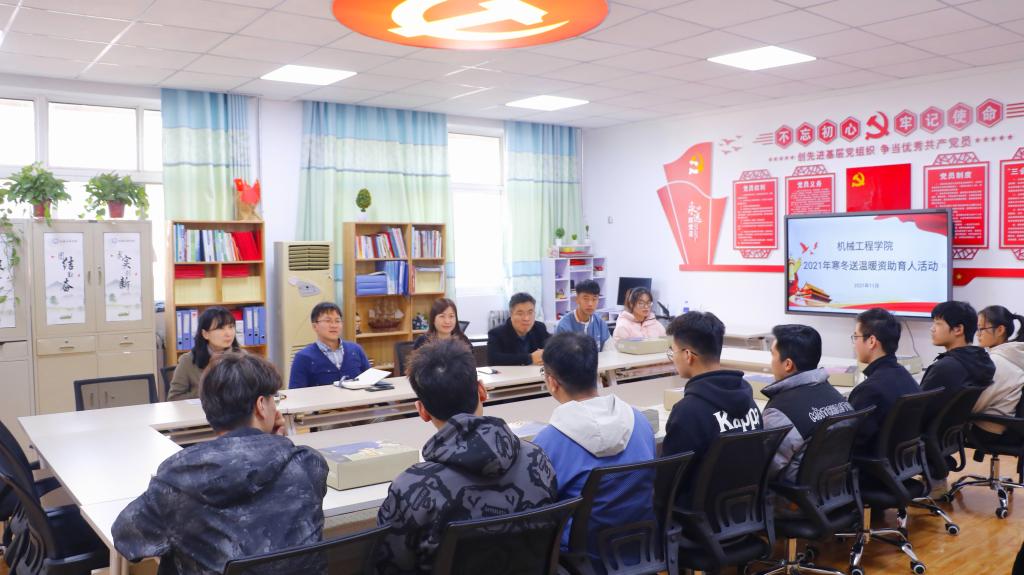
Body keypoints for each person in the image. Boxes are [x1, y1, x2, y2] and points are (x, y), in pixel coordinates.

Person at [113, 353, 328, 575]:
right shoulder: (308, 464)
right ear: (261, 406)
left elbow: (126, 538)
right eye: (275, 399)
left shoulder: (178, 478)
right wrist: (274, 443)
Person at [376, 339, 557, 574]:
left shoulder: (412, 487)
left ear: (422, 411)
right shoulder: (537, 459)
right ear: (482, 391)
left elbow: (386, 565)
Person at [532, 332, 655, 571]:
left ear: (552, 382)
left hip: (583, 559)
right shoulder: (640, 423)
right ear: (596, 374)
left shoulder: (546, 443)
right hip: (642, 548)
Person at [661, 311, 761, 504]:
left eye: (673, 351)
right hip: (744, 508)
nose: (672, 358)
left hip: (698, 513)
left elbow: (668, 482)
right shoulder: (749, 399)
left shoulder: (688, 411)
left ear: (688, 355)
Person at [762, 324, 852, 483]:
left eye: (772, 355)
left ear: (788, 364)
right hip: (835, 488)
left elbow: (764, 468)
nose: (771, 362)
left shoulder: (780, 412)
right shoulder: (838, 398)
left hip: (791, 495)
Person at [847, 307, 921, 453]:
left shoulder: (869, 390)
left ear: (871, 341)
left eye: (856, 337)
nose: (854, 343)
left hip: (870, 463)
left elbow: (849, 440)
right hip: (901, 461)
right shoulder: (905, 376)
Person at [920, 301, 996, 419]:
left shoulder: (944, 368)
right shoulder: (981, 362)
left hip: (925, 429)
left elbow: (917, 409)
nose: (932, 329)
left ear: (958, 329)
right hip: (951, 429)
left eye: (938, 324)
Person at [289, 302, 370, 388]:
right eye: (328, 321)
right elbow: (295, 392)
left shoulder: (356, 350)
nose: (334, 325)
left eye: (337, 321)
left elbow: (371, 381)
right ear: (315, 326)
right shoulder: (303, 357)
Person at [167, 306, 241, 401]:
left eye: (231, 327)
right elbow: (174, 398)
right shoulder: (188, 361)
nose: (228, 333)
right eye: (220, 328)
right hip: (200, 410)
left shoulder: (243, 358)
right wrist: (206, 392)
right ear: (205, 334)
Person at [973, 305, 1024, 438]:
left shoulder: (996, 362)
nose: (977, 334)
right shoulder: (1014, 355)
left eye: (981, 329)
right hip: (1009, 429)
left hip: (989, 430)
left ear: (1000, 330)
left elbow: (976, 404)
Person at [487, 292, 550, 365]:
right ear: (511, 314)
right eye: (520, 314)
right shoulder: (497, 334)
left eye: (530, 312)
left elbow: (553, 347)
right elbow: (493, 359)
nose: (526, 318)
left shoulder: (539, 328)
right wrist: (530, 358)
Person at [555, 279, 610, 351]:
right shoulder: (564, 326)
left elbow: (609, 351)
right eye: (586, 299)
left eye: (594, 299)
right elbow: (559, 355)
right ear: (577, 299)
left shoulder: (600, 323)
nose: (590, 304)